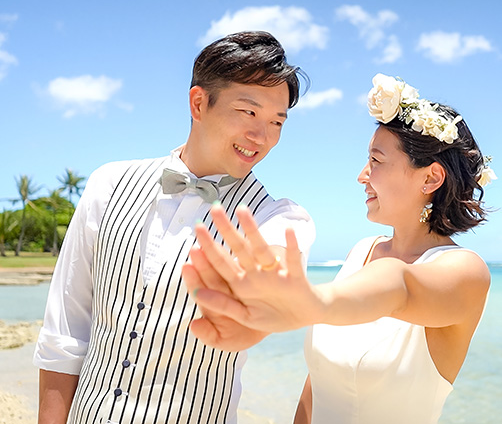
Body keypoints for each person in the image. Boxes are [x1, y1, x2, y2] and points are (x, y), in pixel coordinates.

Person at [33, 31, 315, 424]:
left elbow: (280, 266)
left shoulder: (276, 218)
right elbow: (66, 331)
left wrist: (273, 292)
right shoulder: (108, 185)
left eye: (276, 122)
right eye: (248, 112)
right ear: (198, 103)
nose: (262, 137)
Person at [182, 73, 496, 423]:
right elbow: (317, 385)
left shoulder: (466, 271)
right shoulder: (362, 251)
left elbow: (400, 286)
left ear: (430, 178)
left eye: (376, 161)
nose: (362, 175)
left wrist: (310, 305)